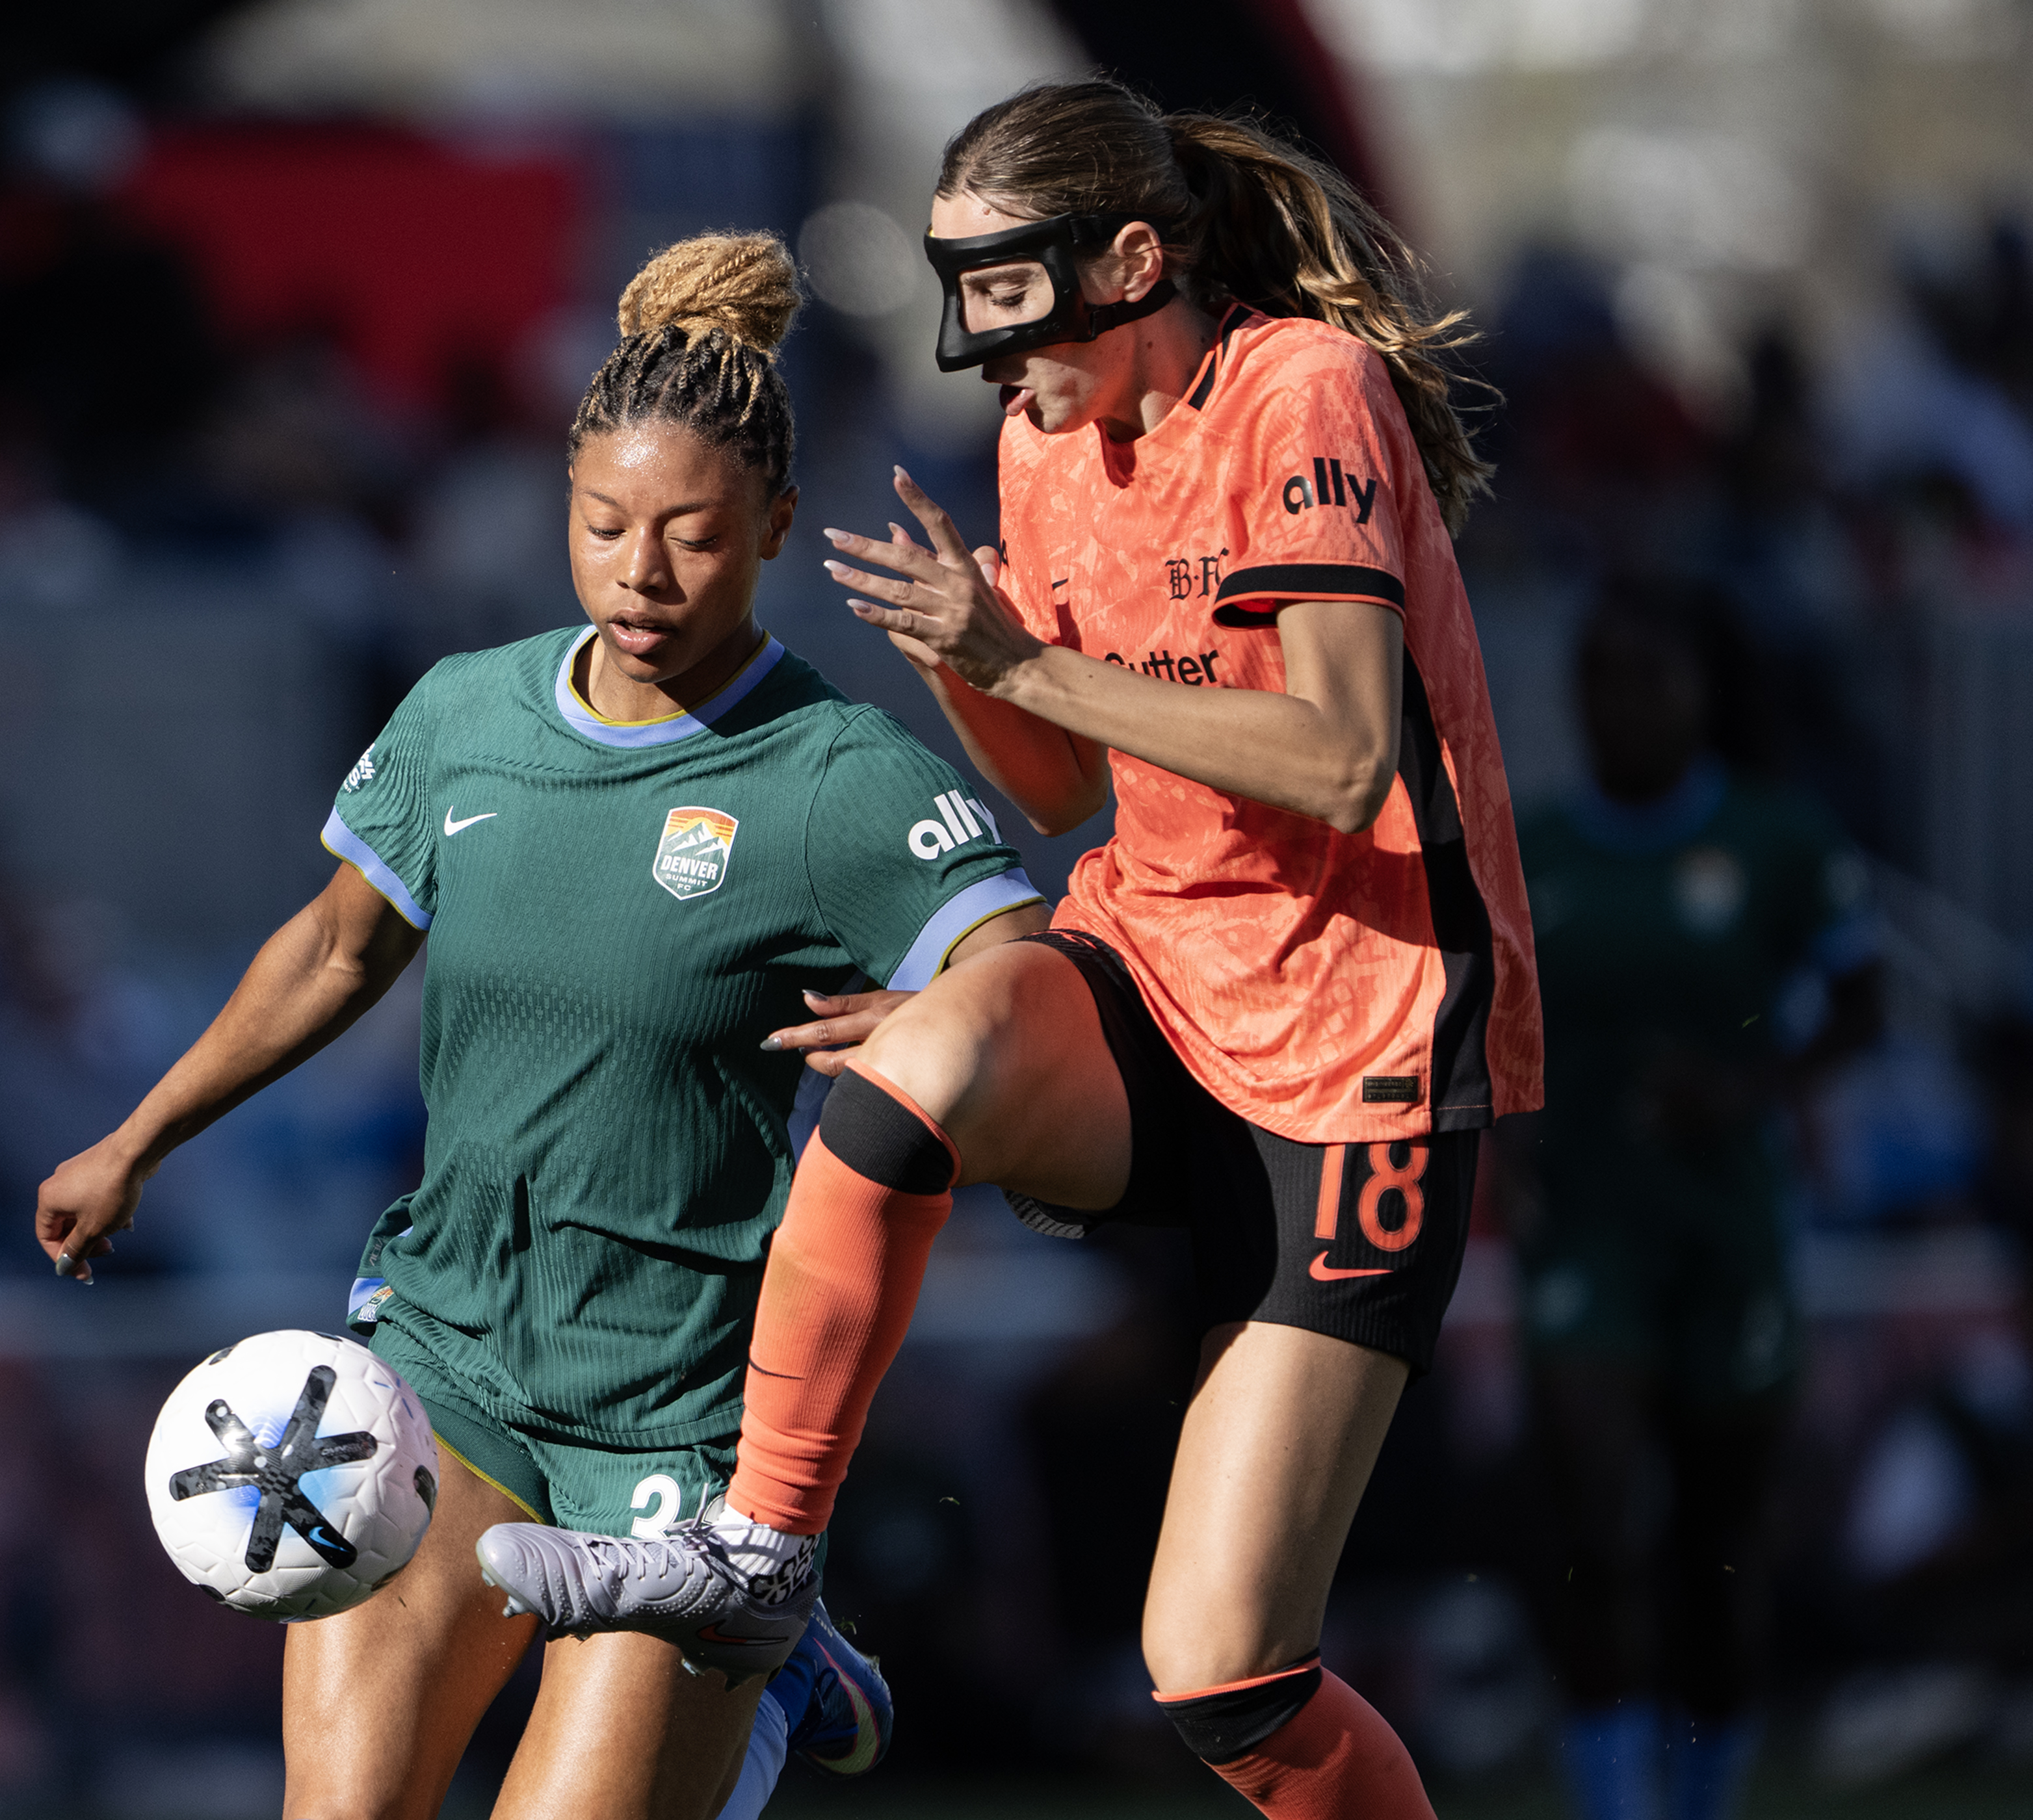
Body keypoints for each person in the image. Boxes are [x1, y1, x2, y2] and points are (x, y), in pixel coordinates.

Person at [477, 82, 1542, 1820]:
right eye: (959, 290)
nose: (984, 349)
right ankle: (765, 1560)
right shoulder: (1045, 442)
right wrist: (963, 653)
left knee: (1224, 1680)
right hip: (1157, 978)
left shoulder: (1301, 394)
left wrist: (1023, 660)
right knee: (915, 1062)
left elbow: (1343, 759)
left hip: (1362, 1044)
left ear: (1133, 258)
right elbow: (1061, 787)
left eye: (1010, 290)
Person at [33, 232, 1050, 1820]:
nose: (643, 572)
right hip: (451, 1360)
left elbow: (1031, 973)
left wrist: (946, 1015)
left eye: (697, 537)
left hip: (688, 1414)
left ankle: (768, 1645)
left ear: (776, 525)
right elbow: (334, 947)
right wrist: (136, 1136)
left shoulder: (837, 776)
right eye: (605, 526)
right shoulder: (463, 717)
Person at [1508, 595, 1874, 1820]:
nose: (1623, 705)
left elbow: (1859, 1005)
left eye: (1649, 679)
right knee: (1597, 1510)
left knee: (1719, 1548)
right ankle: (1614, 1798)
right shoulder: (1538, 848)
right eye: (1602, 680)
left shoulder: (1776, 840)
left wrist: (1753, 1085)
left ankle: (1703, 1791)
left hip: (1727, 1223)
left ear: (1703, 694)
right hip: (1590, 1222)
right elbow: (1480, 1018)